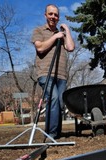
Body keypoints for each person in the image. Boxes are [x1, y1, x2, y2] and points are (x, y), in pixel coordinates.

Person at [32, 4, 75, 139]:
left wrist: (67, 31)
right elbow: (40, 48)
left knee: (59, 103)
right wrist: (54, 38)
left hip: (61, 74)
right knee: (53, 98)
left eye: (56, 15)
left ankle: (56, 133)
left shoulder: (61, 34)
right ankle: (51, 134)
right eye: (50, 14)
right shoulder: (39, 30)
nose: (53, 17)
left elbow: (71, 47)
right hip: (45, 73)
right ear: (45, 15)